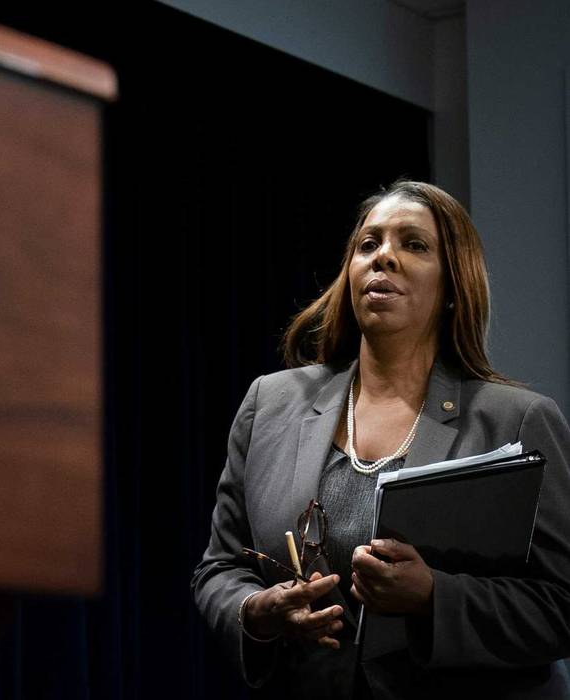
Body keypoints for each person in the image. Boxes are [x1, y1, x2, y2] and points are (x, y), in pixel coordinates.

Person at [191, 180, 570, 698]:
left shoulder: (518, 421)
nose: (383, 257)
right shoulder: (270, 403)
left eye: (414, 245)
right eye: (368, 244)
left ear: (453, 286)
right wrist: (257, 612)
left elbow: (560, 603)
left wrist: (434, 597)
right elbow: (220, 568)